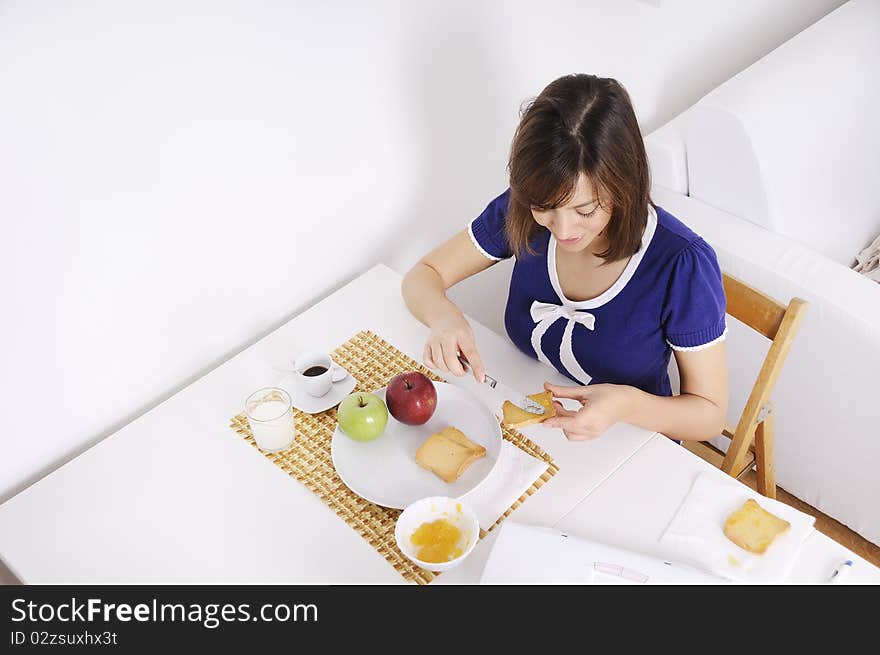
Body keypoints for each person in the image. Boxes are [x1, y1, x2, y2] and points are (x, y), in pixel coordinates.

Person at [401, 74, 728, 443]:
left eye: (585, 210)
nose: (562, 228)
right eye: (545, 207)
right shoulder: (521, 210)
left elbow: (709, 415)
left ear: (625, 186)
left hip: (629, 442)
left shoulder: (683, 265)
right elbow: (423, 276)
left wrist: (622, 404)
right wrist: (444, 318)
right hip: (539, 426)